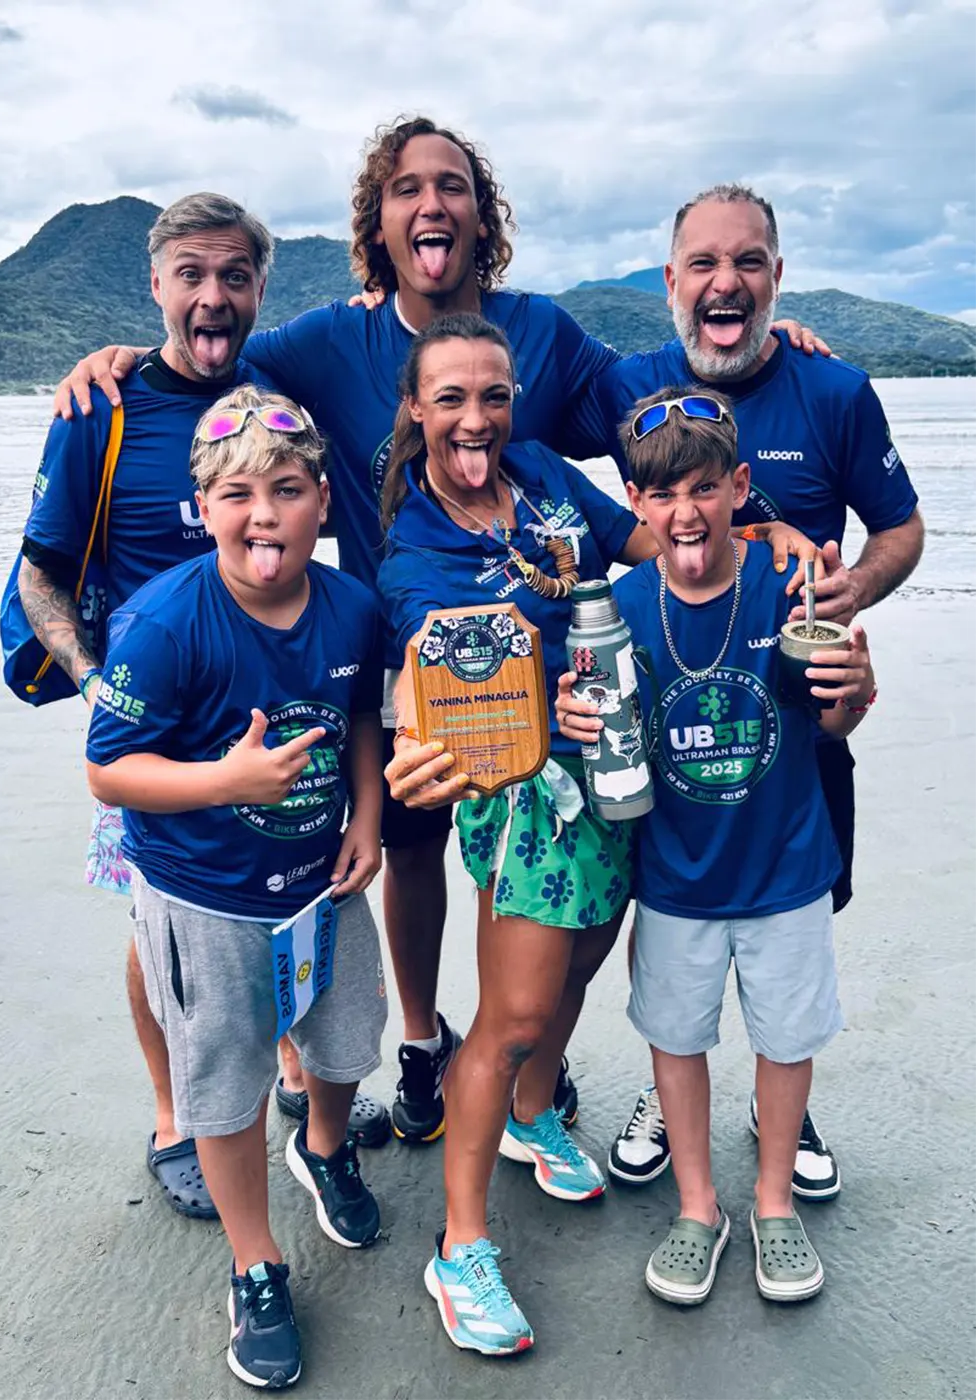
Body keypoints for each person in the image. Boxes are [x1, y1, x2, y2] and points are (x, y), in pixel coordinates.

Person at [53, 121, 822, 1148]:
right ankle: (422, 1042)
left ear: (479, 212)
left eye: (453, 186)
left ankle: (519, 1068)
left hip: (564, 706)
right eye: (407, 188)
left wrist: (764, 368)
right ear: (378, 220)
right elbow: (214, 365)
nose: (433, 204)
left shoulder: (540, 336)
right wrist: (122, 361)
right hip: (391, 675)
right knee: (401, 861)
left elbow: (653, 411)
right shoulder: (327, 338)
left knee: (573, 907)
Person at [14, 194, 394, 1231]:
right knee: (163, 935)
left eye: (233, 276)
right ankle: (174, 1114)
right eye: (191, 274)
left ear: (260, 289)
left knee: (286, 916)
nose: (211, 295)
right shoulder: (105, 405)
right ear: (156, 285)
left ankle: (284, 1071)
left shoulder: (275, 395)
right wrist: (100, 685)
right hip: (155, 726)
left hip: (287, 712)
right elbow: (41, 573)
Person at [564, 184, 923, 1197]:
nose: (727, 282)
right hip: (669, 720)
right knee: (672, 913)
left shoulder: (834, 388)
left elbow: (899, 527)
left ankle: (780, 1096)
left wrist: (855, 587)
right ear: (670, 281)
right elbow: (496, 411)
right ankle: (667, 1090)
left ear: (776, 275)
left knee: (796, 916)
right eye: (705, 265)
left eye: (750, 262)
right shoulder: (629, 380)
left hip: (799, 711)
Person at [85, 386, 386, 1389]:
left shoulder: (351, 604)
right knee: (224, 1082)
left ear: (322, 502)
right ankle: (256, 1261)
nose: (266, 514)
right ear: (205, 505)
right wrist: (225, 780)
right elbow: (107, 767)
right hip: (204, 899)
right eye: (241, 492)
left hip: (323, 883)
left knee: (345, 1043)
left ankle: (327, 1147)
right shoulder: (168, 621)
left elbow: (358, 721)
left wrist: (371, 816)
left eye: (290, 489)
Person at [378, 312, 662, 1355]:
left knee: (584, 963)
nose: (475, 417)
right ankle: (460, 1246)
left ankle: (536, 1119)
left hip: (621, 762)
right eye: (449, 396)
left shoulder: (543, 470)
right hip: (527, 796)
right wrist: (422, 734)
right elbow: (431, 679)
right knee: (512, 1013)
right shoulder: (416, 547)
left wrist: (747, 532)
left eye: (492, 394)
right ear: (416, 407)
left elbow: (640, 538)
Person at [558, 387, 878, 1305]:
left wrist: (854, 686)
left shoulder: (791, 584)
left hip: (785, 869)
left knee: (786, 1043)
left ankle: (772, 1202)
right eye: (660, 497)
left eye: (703, 488)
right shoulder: (613, 610)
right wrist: (570, 719)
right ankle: (699, 1207)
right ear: (634, 499)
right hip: (673, 880)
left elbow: (836, 713)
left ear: (740, 485)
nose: (684, 514)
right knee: (676, 1041)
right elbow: (586, 732)